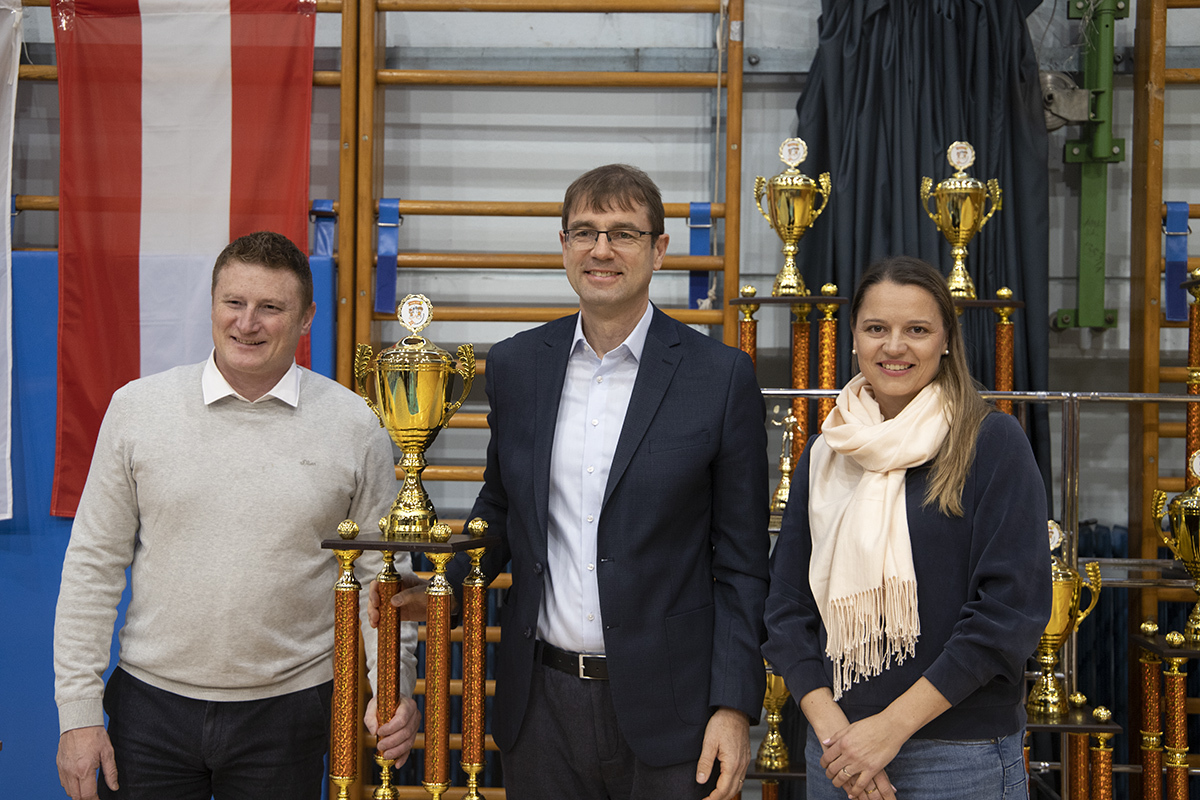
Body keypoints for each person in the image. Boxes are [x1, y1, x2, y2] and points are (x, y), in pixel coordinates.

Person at [370, 164, 770, 800]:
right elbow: (501, 508)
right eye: (585, 232)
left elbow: (743, 564)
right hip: (540, 707)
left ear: (659, 250)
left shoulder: (719, 378)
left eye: (624, 233)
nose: (601, 249)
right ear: (564, 246)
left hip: (675, 711)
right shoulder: (516, 365)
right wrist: (444, 589)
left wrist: (733, 706)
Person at [53, 231, 420, 800]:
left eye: (271, 307)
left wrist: (394, 684)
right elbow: (92, 565)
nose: (247, 323)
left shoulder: (354, 425)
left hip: (289, 714)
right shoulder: (137, 409)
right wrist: (77, 710)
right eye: (234, 302)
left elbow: (381, 576)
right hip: (149, 710)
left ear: (305, 319)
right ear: (212, 305)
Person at [762, 256, 1051, 800]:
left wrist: (888, 730)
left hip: (959, 758)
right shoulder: (827, 451)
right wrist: (837, 733)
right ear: (854, 339)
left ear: (947, 341)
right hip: (837, 752)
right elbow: (786, 608)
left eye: (917, 330)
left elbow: (1008, 614)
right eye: (876, 328)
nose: (894, 347)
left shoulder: (992, 443)